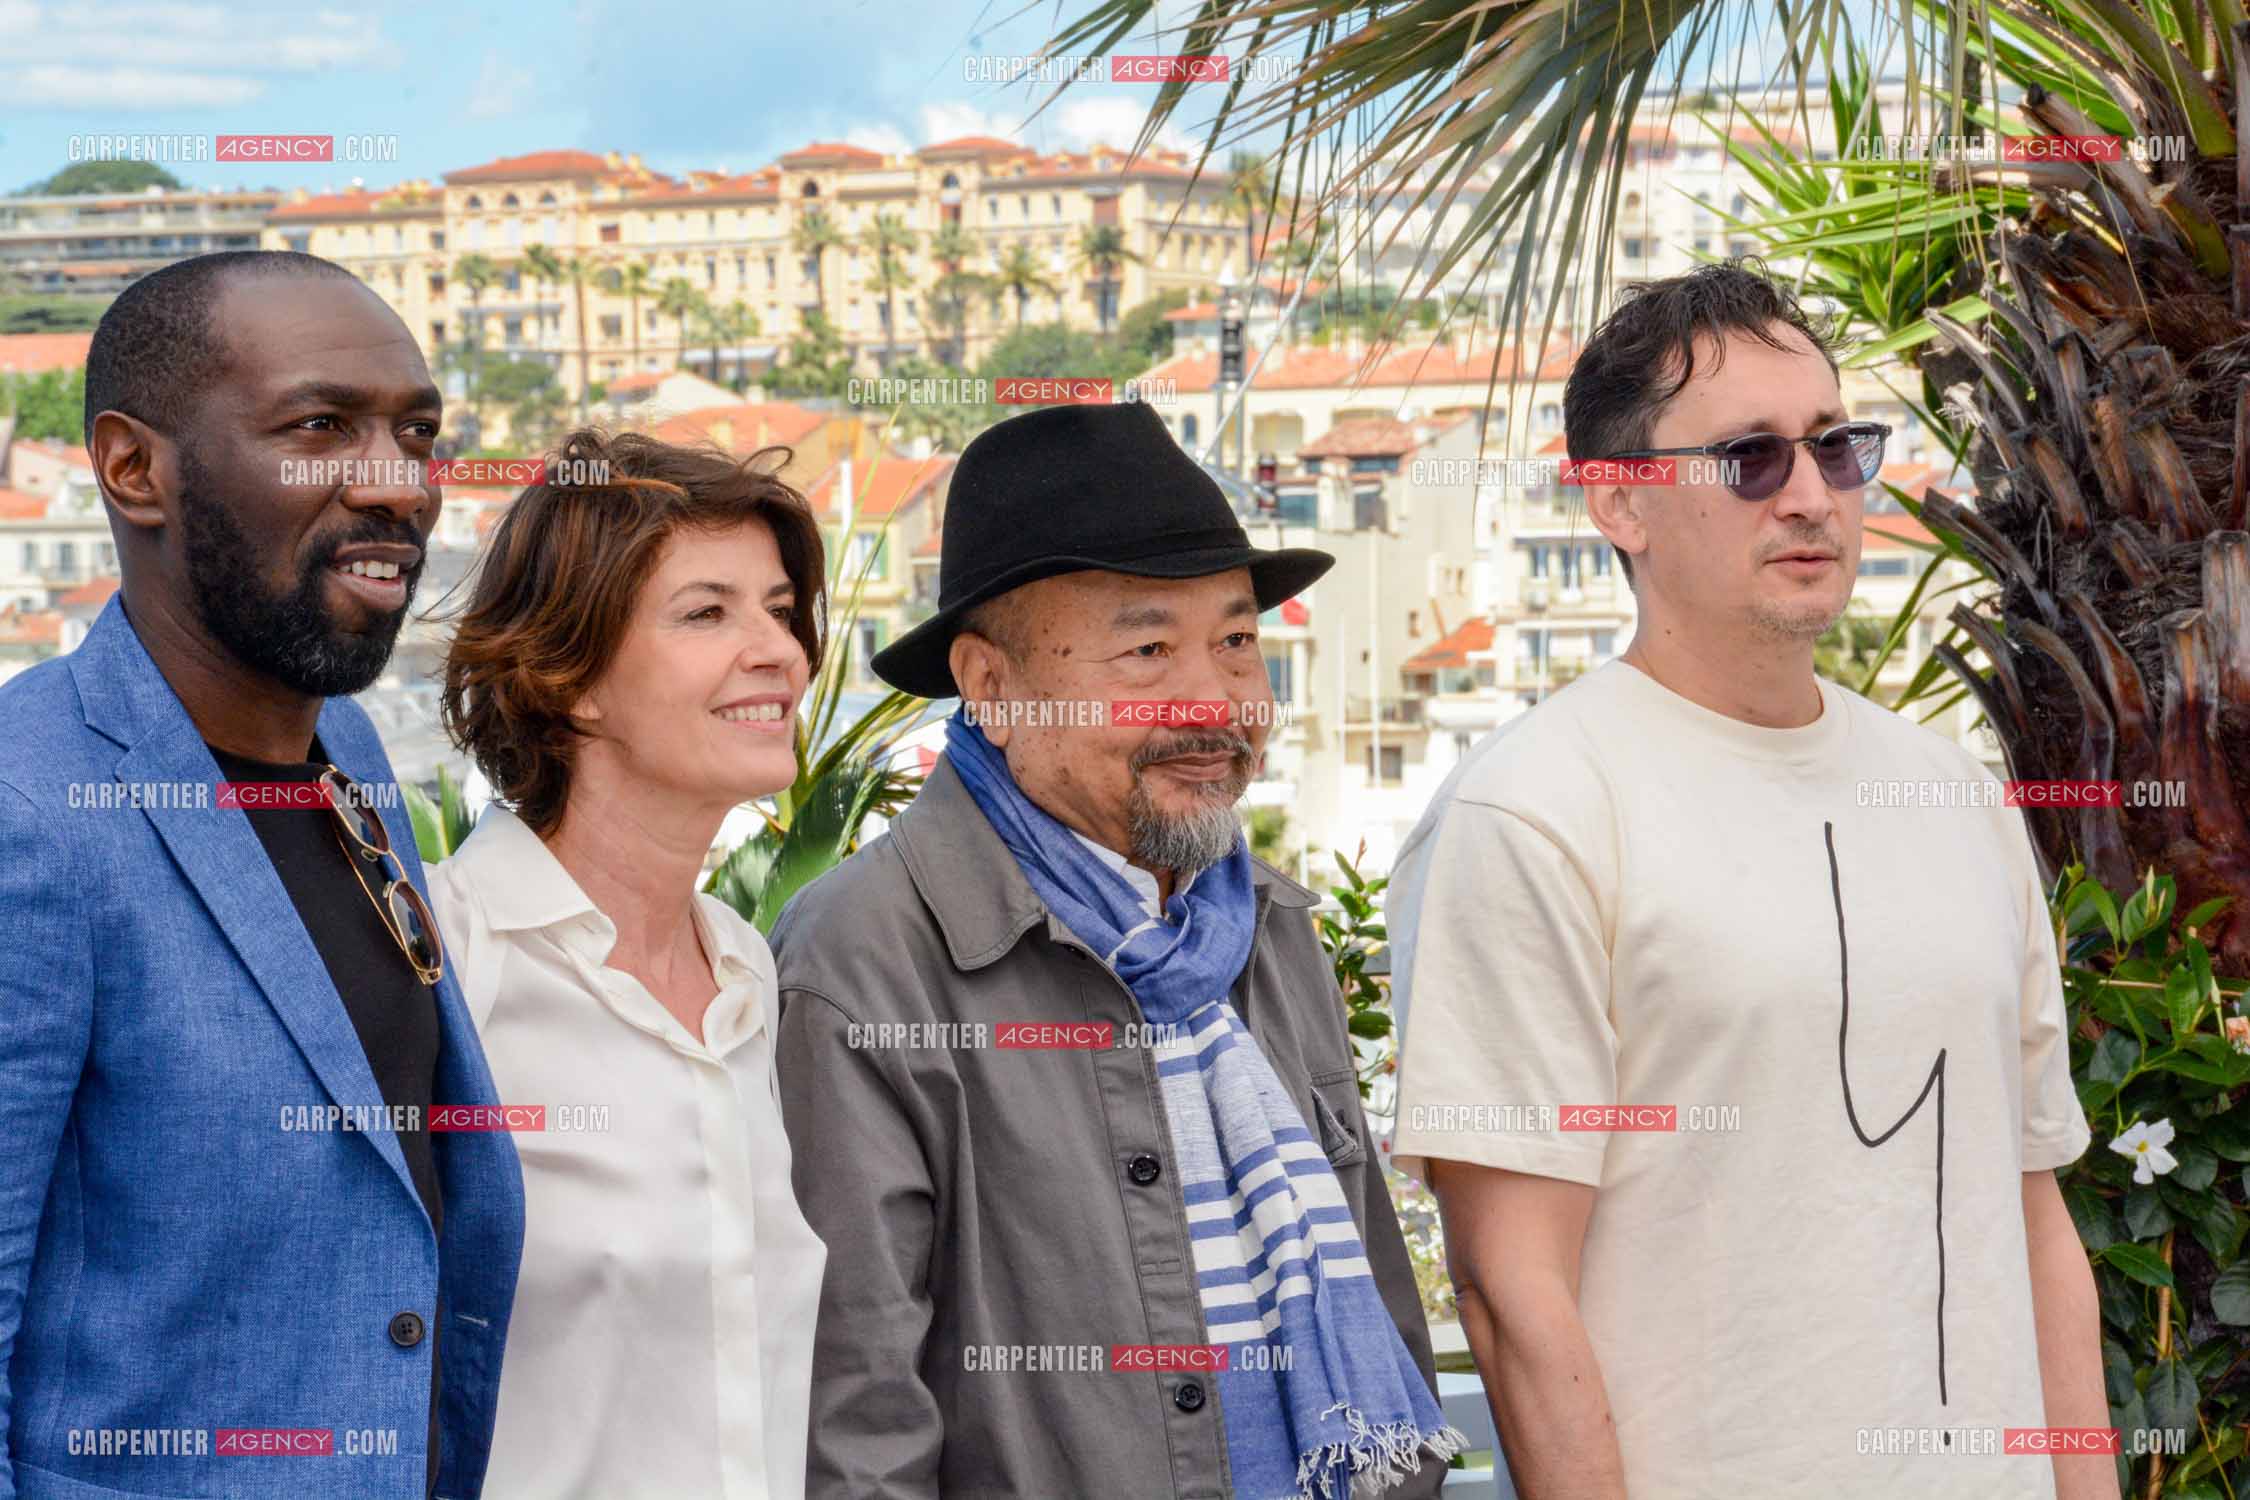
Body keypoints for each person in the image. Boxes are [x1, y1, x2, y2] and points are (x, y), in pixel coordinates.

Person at [1386, 260, 2112, 1500]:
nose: (1812, 495)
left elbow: (2037, 1218)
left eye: (1838, 447)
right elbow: (1514, 1294)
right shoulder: (1535, 813)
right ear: (1618, 504)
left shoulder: (1955, 796)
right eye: (1750, 458)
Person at [770, 400, 1457, 1500]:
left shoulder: (1266, 927)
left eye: (1237, 642)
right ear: (990, 688)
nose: (1220, 703)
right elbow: (860, 1425)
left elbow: (1381, 1303)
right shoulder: (865, 966)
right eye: (1149, 650)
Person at [0, 250, 523, 1500]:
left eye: (419, 432)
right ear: (137, 471)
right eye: (321, 427)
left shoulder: (347, 757)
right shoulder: (31, 817)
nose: (397, 485)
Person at [428, 429, 828, 1499]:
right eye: (708, 613)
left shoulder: (749, 973)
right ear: (570, 679)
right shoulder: (451, 962)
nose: (778, 652)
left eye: (781, 611)